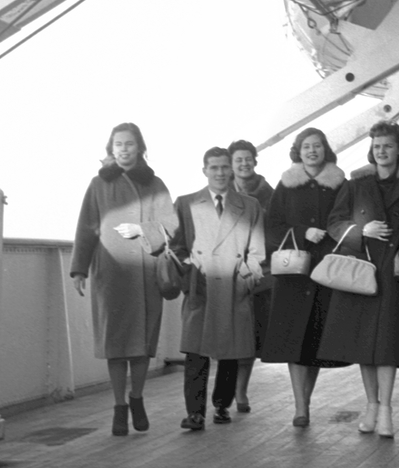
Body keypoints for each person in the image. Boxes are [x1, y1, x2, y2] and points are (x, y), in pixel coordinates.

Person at [71, 122, 178, 436]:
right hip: (111, 273)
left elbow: (173, 225)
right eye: (118, 144)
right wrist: (79, 269)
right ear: (110, 148)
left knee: (141, 345)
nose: (123, 149)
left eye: (129, 144)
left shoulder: (155, 184)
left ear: (140, 148)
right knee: (115, 344)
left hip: (145, 271)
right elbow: (86, 227)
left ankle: (137, 398)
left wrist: (142, 229)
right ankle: (119, 406)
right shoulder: (98, 184)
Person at [316, 122, 399, 438]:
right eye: (377, 146)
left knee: (388, 345)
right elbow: (334, 223)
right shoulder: (355, 184)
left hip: (394, 273)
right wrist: (361, 231)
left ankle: (386, 408)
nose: (381, 151)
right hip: (363, 269)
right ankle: (371, 405)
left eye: (387, 146)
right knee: (364, 345)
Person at [172, 147, 267, 430]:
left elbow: (257, 252)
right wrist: (189, 272)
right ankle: (195, 413)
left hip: (234, 284)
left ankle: (222, 405)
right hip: (200, 285)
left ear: (232, 169)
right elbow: (176, 246)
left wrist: (246, 279)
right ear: (204, 170)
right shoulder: (186, 203)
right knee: (195, 351)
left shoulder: (250, 205)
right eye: (214, 167)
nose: (220, 173)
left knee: (230, 350)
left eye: (225, 167)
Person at [259, 127, 348, 426]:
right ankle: (300, 406)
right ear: (298, 151)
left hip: (326, 270)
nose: (312, 151)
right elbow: (272, 228)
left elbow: (346, 222)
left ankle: (305, 401)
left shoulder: (340, 184)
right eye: (306, 146)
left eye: (317, 145)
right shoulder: (286, 185)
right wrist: (302, 232)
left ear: (326, 149)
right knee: (293, 339)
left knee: (314, 340)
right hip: (293, 275)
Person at [227, 139, 275, 414]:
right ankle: (226, 392)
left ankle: (240, 391)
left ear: (255, 161)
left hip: (258, 273)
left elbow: (276, 232)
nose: (244, 164)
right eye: (238, 160)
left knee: (248, 336)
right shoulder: (220, 191)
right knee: (227, 336)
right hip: (224, 272)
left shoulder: (269, 194)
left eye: (248, 159)